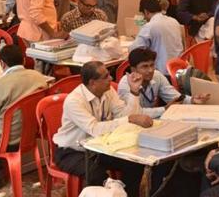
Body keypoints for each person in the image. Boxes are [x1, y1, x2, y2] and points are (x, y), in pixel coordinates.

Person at [52, 61, 154, 197]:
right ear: (93, 82)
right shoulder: (74, 101)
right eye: (106, 76)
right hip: (71, 151)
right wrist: (129, 119)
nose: (111, 79)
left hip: (100, 146)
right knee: (96, 174)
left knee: (134, 162)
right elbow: (94, 129)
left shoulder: (108, 90)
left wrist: (134, 92)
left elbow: (126, 115)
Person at [0, 45, 47, 190]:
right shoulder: (39, 78)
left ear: (2, 63)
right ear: (24, 60)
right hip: (30, 136)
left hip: (4, 141)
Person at [118, 48, 209, 118]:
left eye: (152, 65)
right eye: (144, 67)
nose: (150, 70)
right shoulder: (125, 85)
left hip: (152, 119)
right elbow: (135, 113)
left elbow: (174, 97)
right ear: (133, 69)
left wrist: (192, 100)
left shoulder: (157, 75)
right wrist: (164, 109)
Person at [130, 0, 183, 75]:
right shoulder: (174, 21)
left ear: (146, 12)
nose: (144, 18)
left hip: (162, 72)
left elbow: (133, 50)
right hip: (180, 68)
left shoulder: (150, 26)